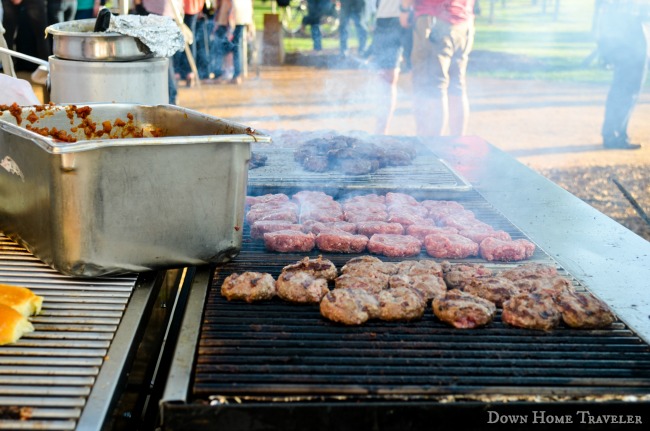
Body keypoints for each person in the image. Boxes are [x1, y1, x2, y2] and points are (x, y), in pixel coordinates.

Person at [399, 0, 475, 137]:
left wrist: (404, 9)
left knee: (431, 87)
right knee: (456, 85)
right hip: (464, 23)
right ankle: (456, 146)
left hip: (434, 20)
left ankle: (433, 150)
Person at [595, 0, 649, 150]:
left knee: (626, 92)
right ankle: (614, 135)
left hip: (631, 47)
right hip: (630, 48)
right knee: (624, 92)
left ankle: (617, 133)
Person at [368, 0, 412, 134]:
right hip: (384, 17)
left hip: (412, 15)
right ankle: (381, 131)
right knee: (385, 78)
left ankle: (427, 138)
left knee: (420, 77)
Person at [174, 0, 205, 87]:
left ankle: (177, 72)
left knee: (178, 37)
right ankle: (189, 72)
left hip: (179, 7)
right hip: (192, 6)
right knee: (189, 38)